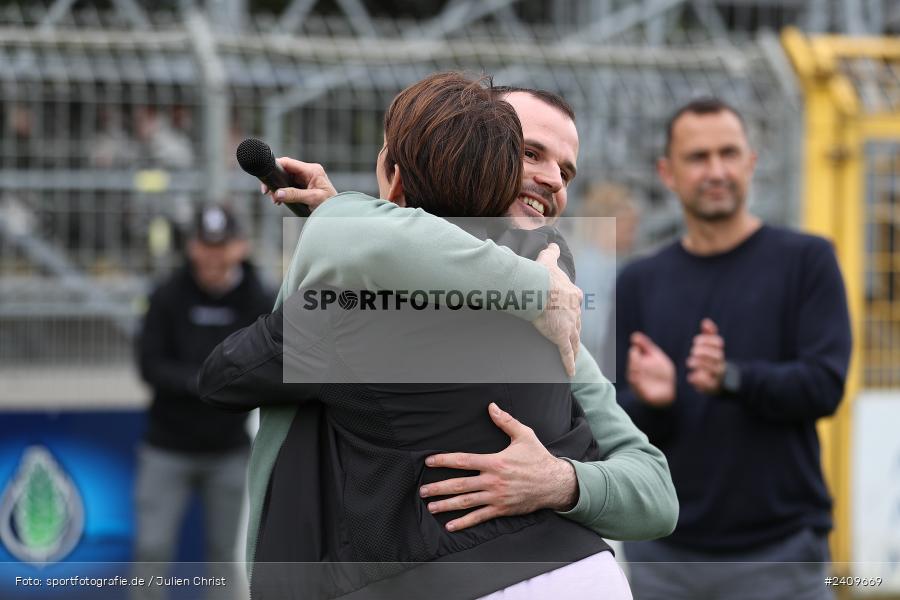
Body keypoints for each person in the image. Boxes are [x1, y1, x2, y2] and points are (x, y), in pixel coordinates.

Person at [201, 79, 677, 597]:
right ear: (466, 151)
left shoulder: (552, 309)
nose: (551, 179)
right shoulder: (547, 301)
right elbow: (372, 241)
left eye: (565, 171)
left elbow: (656, 491)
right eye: (528, 152)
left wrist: (561, 481)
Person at [615, 97, 852, 599]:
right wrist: (656, 403)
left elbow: (825, 387)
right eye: (698, 157)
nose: (716, 171)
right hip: (665, 553)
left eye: (729, 153)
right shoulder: (640, 281)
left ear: (751, 162)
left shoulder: (807, 261)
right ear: (667, 173)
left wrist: (732, 378)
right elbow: (618, 420)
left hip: (781, 550)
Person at [133, 204, 273, 600]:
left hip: (228, 449)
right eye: (205, 246)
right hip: (167, 446)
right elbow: (149, 365)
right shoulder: (167, 295)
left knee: (226, 557)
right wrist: (207, 382)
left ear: (240, 247)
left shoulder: (259, 298)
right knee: (151, 548)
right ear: (192, 247)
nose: (213, 257)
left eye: (221, 246)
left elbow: (271, 365)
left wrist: (217, 383)